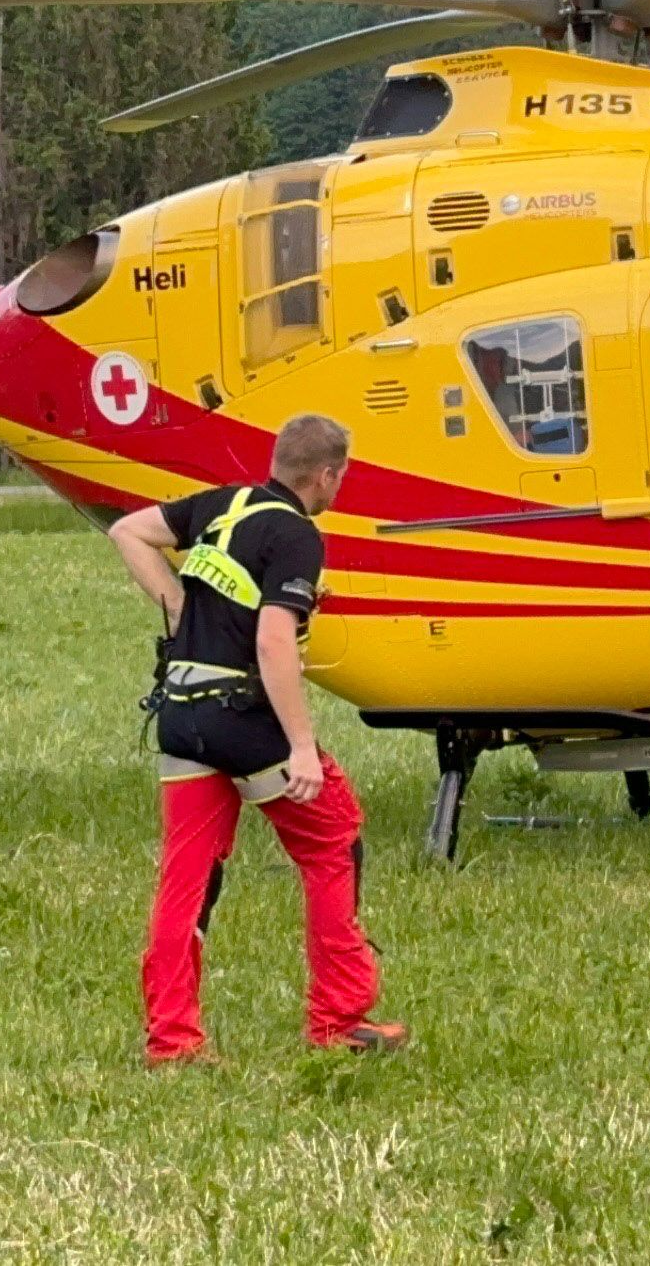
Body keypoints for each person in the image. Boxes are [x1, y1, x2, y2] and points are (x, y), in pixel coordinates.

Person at [107, 412, 408, 1064]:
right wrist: (302, 747)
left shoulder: (225, 504)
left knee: (187, 878)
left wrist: (177, 607)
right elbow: (274, 639)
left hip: (182, 712)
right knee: (333, 835)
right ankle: (337, 1021)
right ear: (326, 475)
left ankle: (173, 1041)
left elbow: (128, 530)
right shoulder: (297, 535)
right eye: (341, 477)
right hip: (238, 715)